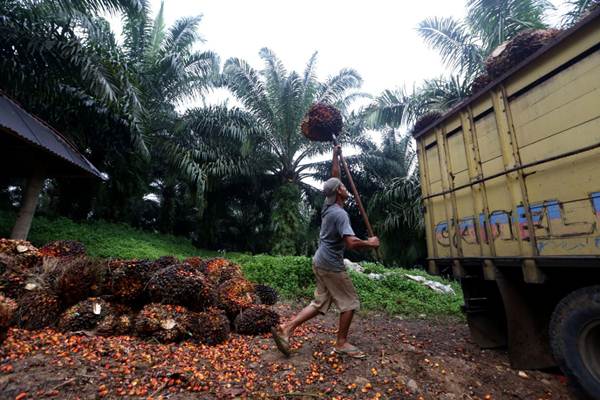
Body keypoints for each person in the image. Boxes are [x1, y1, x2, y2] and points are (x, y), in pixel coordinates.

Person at [271, 145, 380, 359]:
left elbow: (334, 177)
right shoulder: (340, 214)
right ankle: (341, 343)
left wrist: (335, 155)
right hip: (330, 265)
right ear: (339, 191)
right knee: (350, 303)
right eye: (342, 186)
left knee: (319, 303)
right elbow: (350, 243)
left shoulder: (327, 205)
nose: (344, 187)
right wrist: (370, 243)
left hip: (319, 261)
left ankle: (286, 328)